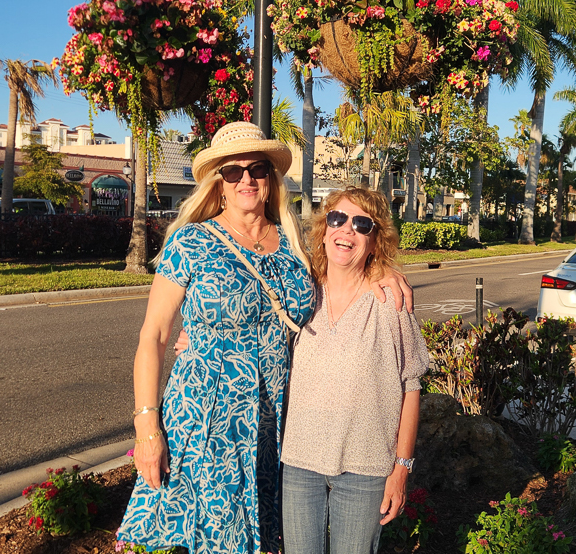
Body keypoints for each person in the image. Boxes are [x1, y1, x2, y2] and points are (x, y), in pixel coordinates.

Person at [117, 122, 411, 554]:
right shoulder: (190, 242)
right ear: (219, 183)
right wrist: (147, 427)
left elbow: (344, 266)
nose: (247, 179)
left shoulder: (293, 244)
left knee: (267, 539)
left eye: (257, 169)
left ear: (272, 179)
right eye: (233, 172)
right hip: (209, 411)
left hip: (277, 420)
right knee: (219, 538)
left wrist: (384, 269)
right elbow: (154, 335)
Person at [280, 187, 429, 554]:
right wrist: (195, 331)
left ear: (375, 240)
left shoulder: (391, 302)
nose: (346, 230)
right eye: (337, 218)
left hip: (366, 470)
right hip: (300, 464)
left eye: (362, 224)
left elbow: (412, 385)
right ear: (323, 227)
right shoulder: (300, 294)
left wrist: (402, 468)